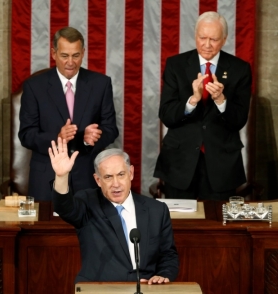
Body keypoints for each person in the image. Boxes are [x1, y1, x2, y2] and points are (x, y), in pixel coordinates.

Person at [49, 137, 179, 284]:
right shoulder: (87, 203)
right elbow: (64, 207)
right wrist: (61, 176)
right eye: (108, 177)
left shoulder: (156, 210)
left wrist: (163, 275)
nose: (115, 184)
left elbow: (168, 255)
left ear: (131, 173)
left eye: (121, 175)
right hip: (99, 289)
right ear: (98, 180)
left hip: (144, 288)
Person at [154, 11, 252, 201]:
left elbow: (239, 120)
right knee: (180, 228)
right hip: (179, 164)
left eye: (214, 39)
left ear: (224, 40)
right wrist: (192, 100)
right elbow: (166, 114)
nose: (207, 45)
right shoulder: (176, 65)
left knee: (218, 228)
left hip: (221, 166)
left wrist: (221, 100)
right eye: (202, 38)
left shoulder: (240, 69)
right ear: (195, 36)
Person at [19, 27, 118, 200]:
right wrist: (58, 137)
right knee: (46, 227)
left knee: (89, 226)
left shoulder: (100, 84)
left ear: (83, 53)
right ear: (53, 53)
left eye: (76, 55)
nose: (70, 62)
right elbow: (26, 135)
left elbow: (111, 129)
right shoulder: (34, 87)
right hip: (47, 178)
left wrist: (90, 140)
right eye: (64, 56)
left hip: (87, 176)